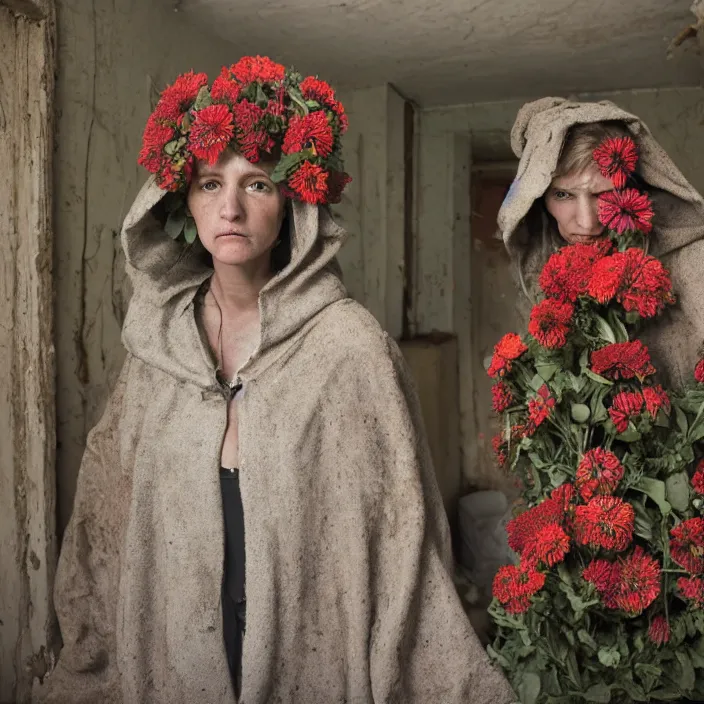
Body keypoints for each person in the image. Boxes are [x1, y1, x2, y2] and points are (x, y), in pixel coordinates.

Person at [35, 56, 515, 703]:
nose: (229, 206)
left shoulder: (350, 349)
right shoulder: (156, 352)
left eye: (256, 183)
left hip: (310, 651)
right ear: (183, 199)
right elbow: (107, 516)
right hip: (177, 660)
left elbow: (404, 533)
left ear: (292, 203)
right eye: (210, 183)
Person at [497, 97, 704, 388]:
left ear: (633, 191)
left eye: (603, 194)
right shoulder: (539, 274)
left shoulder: (694, 262)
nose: (587, 222)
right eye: (563, 195)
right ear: (537, 201)